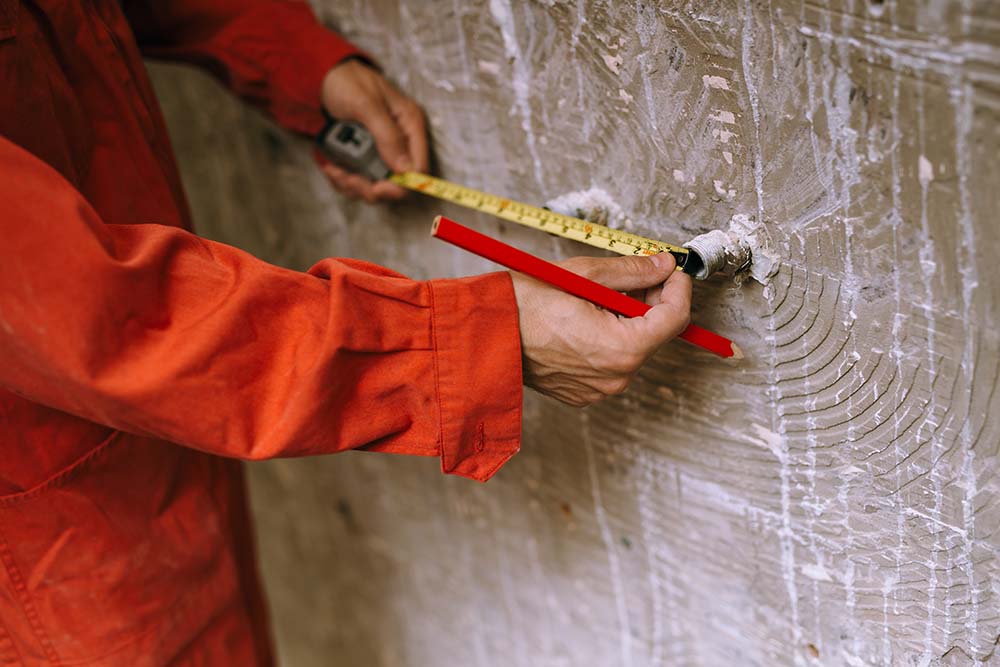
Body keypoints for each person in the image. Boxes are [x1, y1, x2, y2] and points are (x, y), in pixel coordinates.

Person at [0, 1, 691, 664]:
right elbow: (107, 313)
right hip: (49, 523)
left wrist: (290, 56)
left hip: (142, 438)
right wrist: (475, 343)